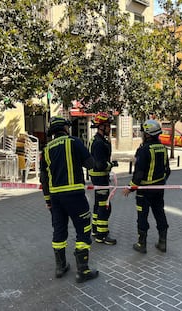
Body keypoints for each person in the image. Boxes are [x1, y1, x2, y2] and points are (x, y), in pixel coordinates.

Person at [40, 116, 99, 283]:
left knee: (59, 230)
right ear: (65, 128)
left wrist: (48, 200)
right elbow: (90, 164)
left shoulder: (46, 149)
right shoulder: (75, 142)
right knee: (83, 230)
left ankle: (61, 267)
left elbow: (43, 178)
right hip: (75, 196)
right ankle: (83, 270)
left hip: (55, 198)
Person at [123, 119, 171, 254]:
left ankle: (141, 244)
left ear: (148, 134)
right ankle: (162, 243)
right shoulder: (163, 148)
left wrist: (130, 187)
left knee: (142, 216)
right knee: (159, 213)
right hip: (158, 190)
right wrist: (161, 183)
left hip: (143, 191)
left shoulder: (143, 150)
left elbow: (138, 174)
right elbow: (168, 170)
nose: (142, 134)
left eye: (143, 132)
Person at [88, 112, 117, 245]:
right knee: (105, 207)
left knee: (98, 205)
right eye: (108, 126)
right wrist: (111, 164)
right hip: (100, 179)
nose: (110, 128)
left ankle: (95, 229)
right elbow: (100, 165)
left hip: (97, 179)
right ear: (101, 126)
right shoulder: (99, 143)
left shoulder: (96, 140)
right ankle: (102, 235)